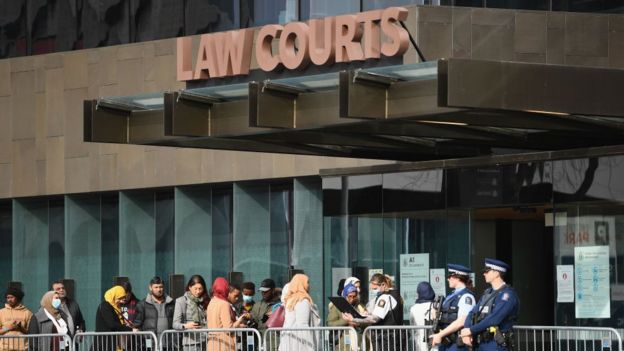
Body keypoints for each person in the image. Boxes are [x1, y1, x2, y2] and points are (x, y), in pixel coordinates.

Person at [461, 259, 519, 351]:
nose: (484, 274)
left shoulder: (507, 295)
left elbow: (494, 319)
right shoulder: (487, 293)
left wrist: (470, 330)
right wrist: (467, 330)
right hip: (481, 344)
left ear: (496, 273)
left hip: (496, 344)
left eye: (487, 271)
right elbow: (472, 313)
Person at [342, 273, 403, 350]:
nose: (374, 291)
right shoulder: (395, 295)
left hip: (387, 338)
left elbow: (374, 319)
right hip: (394, 337)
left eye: (375, 288)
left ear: (383, 285)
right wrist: (368, 314)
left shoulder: (384, 298)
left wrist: (354, 319)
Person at [431, 264, 475, 351]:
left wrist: (440, 335)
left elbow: (462, 321)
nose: (448, 279)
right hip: (446, 342)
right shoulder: (451, 296)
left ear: (458, 278)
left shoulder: (466, 297)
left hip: (456, 343)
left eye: (450, 276)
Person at [279, 274, 320, 351]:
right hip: (300, 343)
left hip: (290, 341)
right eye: (307, 282)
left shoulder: (290, 299)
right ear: (301, 283)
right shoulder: (302, 300)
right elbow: (303, 325)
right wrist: (310, 347)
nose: (308, 285)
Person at [206, 278, 249, 351]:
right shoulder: (224, 304)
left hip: (212, 343)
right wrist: (239, 321)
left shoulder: (211, 302)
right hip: (224, 344)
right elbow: (228, 329)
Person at [173, 275, 208, 351]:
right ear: (189, 287)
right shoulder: (181, 301)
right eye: (195, 289)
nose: (198, 291)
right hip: (190, 342)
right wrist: (186, 326)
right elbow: (175, 324)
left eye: (200, 289)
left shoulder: (204, 301)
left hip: (204, 340)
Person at [327, 283, 366, 351]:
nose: (352, 299)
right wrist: (346, 321)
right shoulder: (337, 307)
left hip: (358, 343)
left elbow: (367, 322)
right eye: (350, 296)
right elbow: (330, 323)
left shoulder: (360, 306)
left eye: (354, 296)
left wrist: (358, 322)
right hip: (343, 344)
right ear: (345, 296)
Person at [0, 287, 32, 351]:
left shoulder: (27, 313)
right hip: (5, 349)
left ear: (18, 298)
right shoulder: (1, 312)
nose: (9, 300)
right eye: (8, 298)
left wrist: (21, 328)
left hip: (23, 349)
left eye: (12, 297)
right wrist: (8, 328)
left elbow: (31, 333)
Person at [409, 281, 436, 351]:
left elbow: (412, 325)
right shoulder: (436, 306)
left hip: (419, 340)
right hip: (435, 339)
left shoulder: (414, 308)